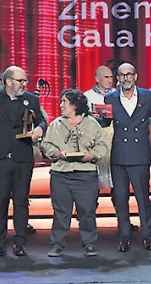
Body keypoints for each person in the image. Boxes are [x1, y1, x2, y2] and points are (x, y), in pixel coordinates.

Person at [0, 66, 46, 257]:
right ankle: (0, 243)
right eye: (20, 81)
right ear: (8, 81)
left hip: (22, 158)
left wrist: (40, 129)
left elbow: (42, 121)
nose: (24, 84)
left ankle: (20, 242)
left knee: (21, 201)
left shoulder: (31, 100)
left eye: (25, 81)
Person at [101, 62, 151, 252]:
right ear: (117, 78)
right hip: (119, 156)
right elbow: (105, 122)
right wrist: (92, 115)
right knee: (120, 198)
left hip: (139, 155)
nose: (126, 78)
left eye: (129, 74)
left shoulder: (147, 95)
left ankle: (148, 236)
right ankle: (124, 236)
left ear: (136, 76)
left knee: (143, 198)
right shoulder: (110, 98)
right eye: (122, 75)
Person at [41, 89, 107, 257]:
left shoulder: (92, 124)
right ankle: (57, 245)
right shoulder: (56, 124)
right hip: (61, 174)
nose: (61, 105)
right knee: (61, 212)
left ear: (75, 104)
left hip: (85, 175)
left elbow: (102, 145)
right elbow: (46, 145)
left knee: (87, 211)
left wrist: (90, 155)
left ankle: (90, 243)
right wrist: (57, 153)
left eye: (64, 101)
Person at [84, 64, 115, 190]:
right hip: (95, 138)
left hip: (114, 139)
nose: (110, 80)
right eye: (106, 77)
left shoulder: (118, 94)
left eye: (111, 77)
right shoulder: (87, 96)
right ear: (97, 79)